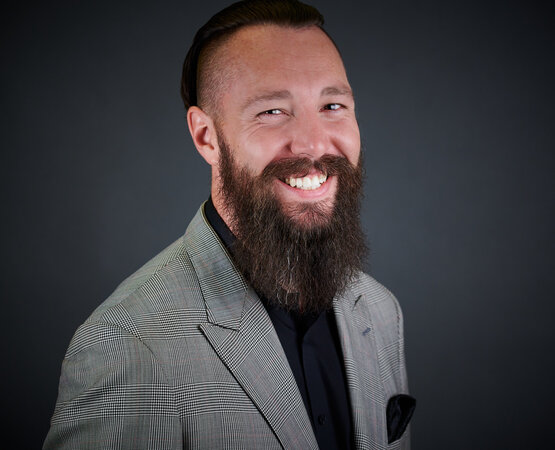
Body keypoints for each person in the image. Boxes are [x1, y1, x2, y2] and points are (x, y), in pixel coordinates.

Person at [44, 0, 415, 448]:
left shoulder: (380, 311)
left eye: (332, 105)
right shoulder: (130, 345)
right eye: (272, 111)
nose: (315, 143)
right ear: (206, 136)